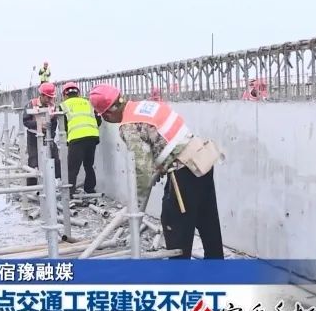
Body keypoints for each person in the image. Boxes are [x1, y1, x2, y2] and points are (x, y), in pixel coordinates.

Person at [88, 84, 224, 259]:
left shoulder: (128, 125)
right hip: (201, 160)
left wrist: (135, 204)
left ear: (107, 114)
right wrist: (160, 163)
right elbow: (166, 138)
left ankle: (179, 274)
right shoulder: (146, 106)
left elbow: (142, 170)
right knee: (208, 223)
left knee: (175, 227)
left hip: (184, 171)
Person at [59, 82, 102, 198]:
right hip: (92, 137)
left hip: (76, 138)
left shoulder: (63, 105)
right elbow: (98, 121)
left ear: (65, 94)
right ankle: (90, 189)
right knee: (88, 165)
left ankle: (69, 193)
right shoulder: (88, 103)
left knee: (72, 168)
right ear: (78, 93)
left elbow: (63, 126)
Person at [22, 82, 61, 185]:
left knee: (55, 159)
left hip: (47, 136)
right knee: (33, 161)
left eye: (51, 97)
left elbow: (54, 123)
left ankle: (57, 183)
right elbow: (25, 121)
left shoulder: (52, 106)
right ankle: (32, 187)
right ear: (42, 95)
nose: (49, 100)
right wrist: (38, 124)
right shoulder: (32, 104)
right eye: (48, 97)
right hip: (33, 136)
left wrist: (51, 136)